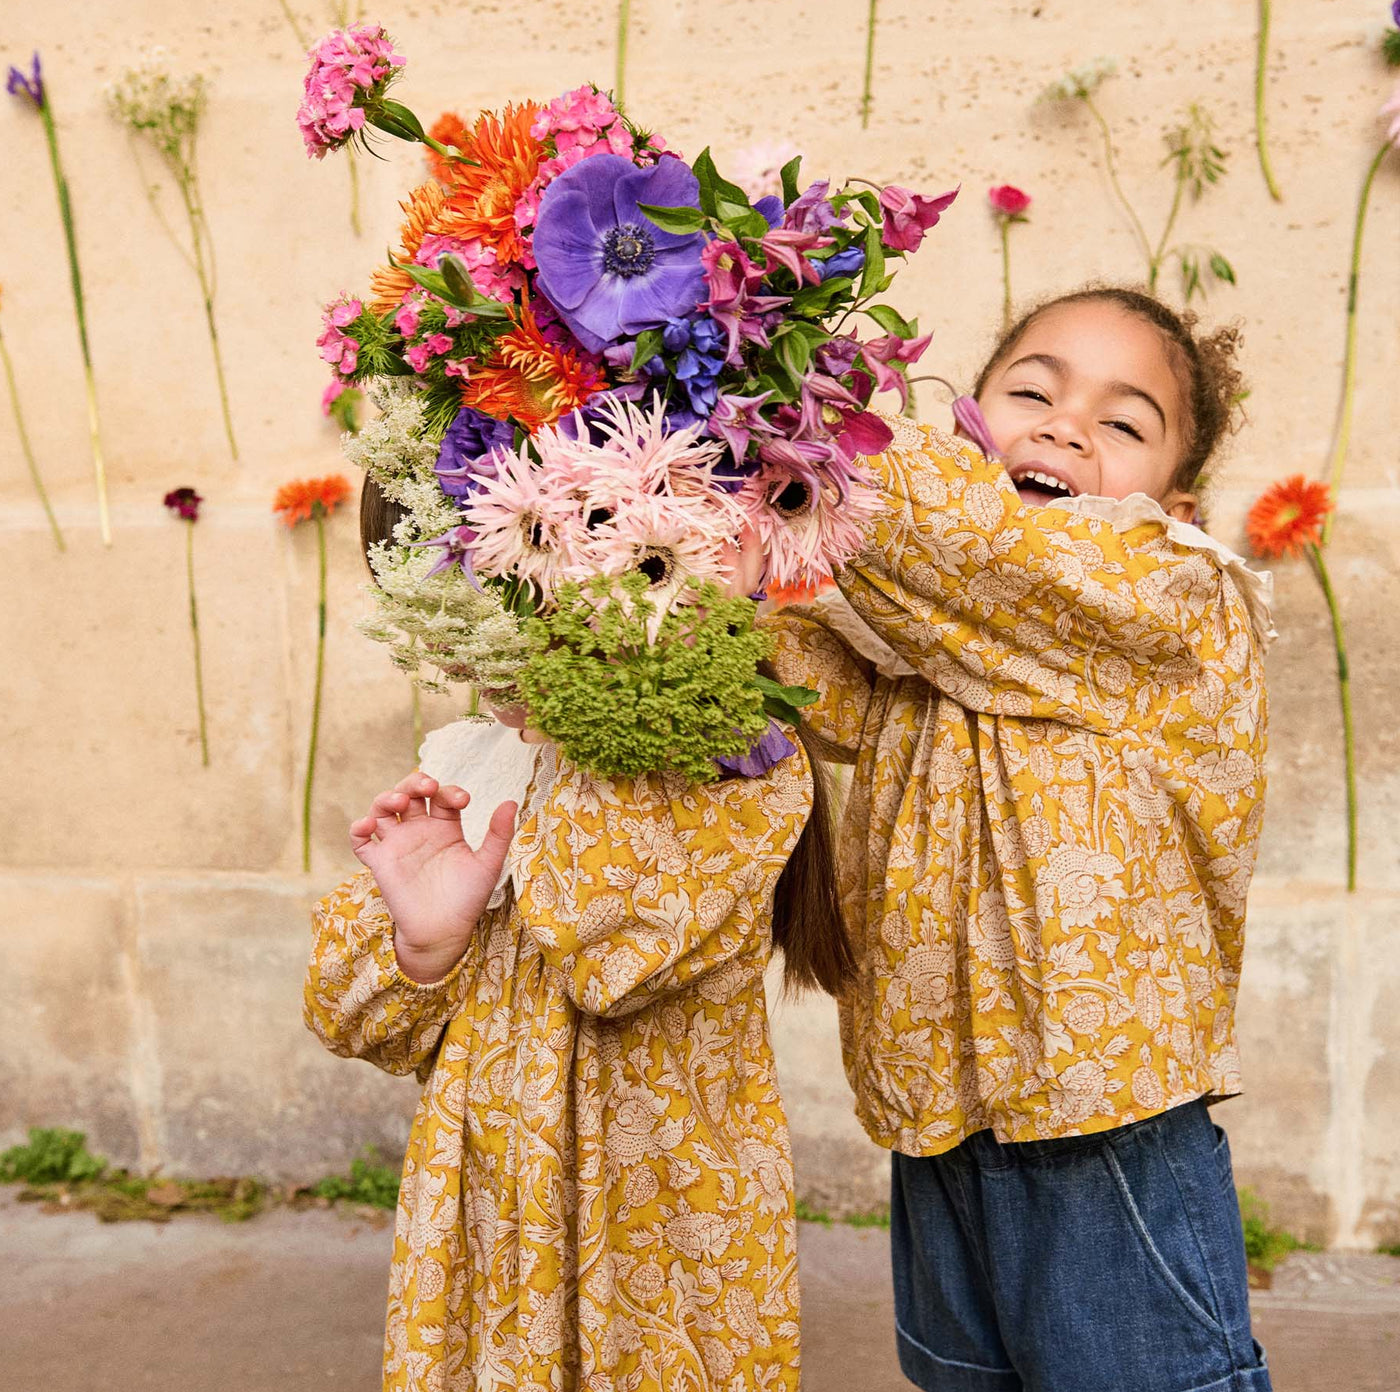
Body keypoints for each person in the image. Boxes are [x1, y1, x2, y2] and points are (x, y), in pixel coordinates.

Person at [766, 287, 1274, 1392]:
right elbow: (795, 669)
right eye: (1030, 392)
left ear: (1176, 501)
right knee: (963, 1375)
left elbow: (968, 542)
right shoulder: (927, 631)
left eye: (1122, 422)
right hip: (938, 1104)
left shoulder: (1165, 590)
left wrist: (782, 404)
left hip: (1103, 1115)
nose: (1063, 425)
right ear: (966, 422)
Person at [303, 484, 851, 1391]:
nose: (492, 647)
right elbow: (346, 1015)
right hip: (490, 1231)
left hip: (654, 1242)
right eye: (457, 607)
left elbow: (609, 956)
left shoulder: (725, 764)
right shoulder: (468, 762)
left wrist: (595, 704)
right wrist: (426, 946)